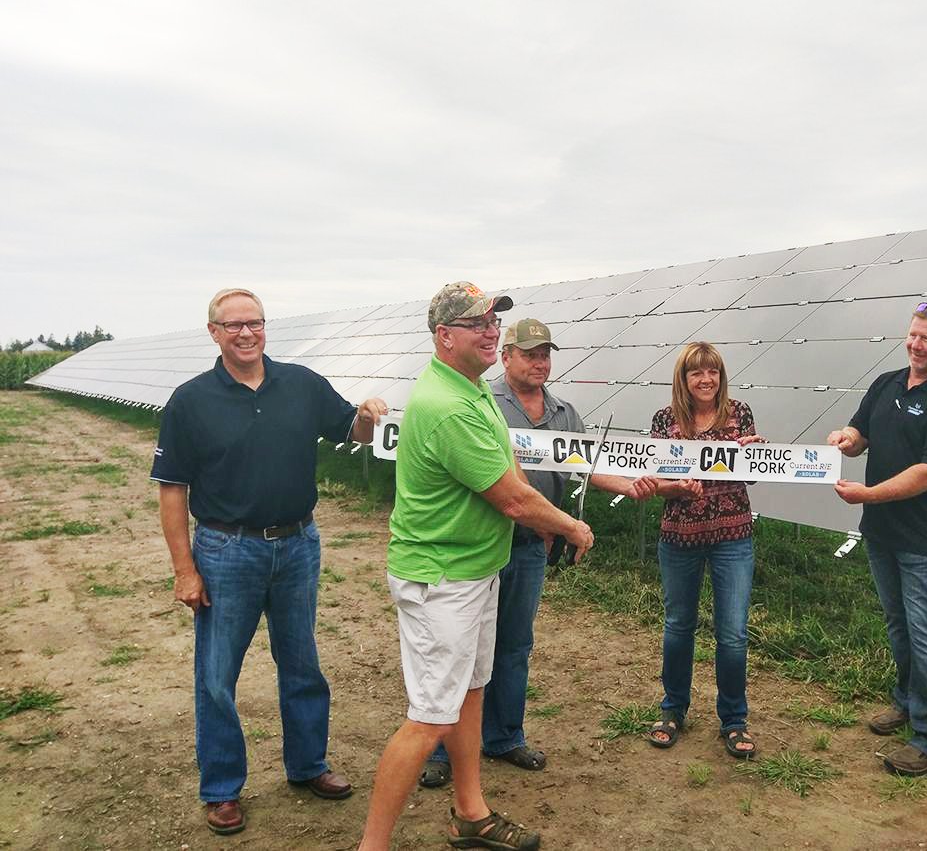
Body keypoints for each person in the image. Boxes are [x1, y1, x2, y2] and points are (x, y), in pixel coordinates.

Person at [358, 285, 595, 851]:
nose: (491, 331)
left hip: (473, 569)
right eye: (476, 324)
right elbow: (511, 498)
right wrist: (568, 524)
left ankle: (471, 813)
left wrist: (540, 515)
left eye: (493, 321)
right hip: (441, 580)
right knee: (430, 719)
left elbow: (507, 463)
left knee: (469, 693)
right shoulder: (447, 406)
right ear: (445, 337)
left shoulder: (470, 390)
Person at [151, 288, 388, 835]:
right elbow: (172, 490)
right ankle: (222, 788)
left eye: (253, 323)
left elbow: (349, 428)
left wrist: (369, 415)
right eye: (232, 325)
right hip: (225, 551)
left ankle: (308, 766)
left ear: (265, 327)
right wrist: (184, 569)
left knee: (302, 662)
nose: (245, 333)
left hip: (298, 545)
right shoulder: (190, 401)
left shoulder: (300, 384)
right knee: (216, 676)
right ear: (213, 332)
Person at [419, 318, 652, 788]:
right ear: (506, 357)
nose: (539, 362)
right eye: (529, 354)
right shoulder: (484, 402)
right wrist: (563, 524)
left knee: (514, 643)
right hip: (486, 539)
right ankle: (442, 748)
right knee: (460, 648)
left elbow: (586, 461)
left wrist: (631, 485)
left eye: (545, 354)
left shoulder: (564, 411)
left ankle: (504, 736)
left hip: (530, 546)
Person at [827, 301, 927, 777]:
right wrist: (848, 438)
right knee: (899, 626)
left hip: (924, 539)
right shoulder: (888, 382)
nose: (915, 344)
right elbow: (862, 429)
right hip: (882, 531)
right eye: (912, 335)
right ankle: (908, 703)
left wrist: (869, 493)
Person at [640, 341, 765, 759]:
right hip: (680, 537)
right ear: (684, 378)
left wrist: (757, 458)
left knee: (732, 633)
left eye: (712, 371)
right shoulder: (664, 420)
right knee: (679, 626)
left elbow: (753, 478)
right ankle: (673, 709)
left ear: (721, 376)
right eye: (696, 372)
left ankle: (733, 719)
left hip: (733, 537)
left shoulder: (740, 413)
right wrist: (676, 487)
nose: (706, 379)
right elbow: (653, 480)